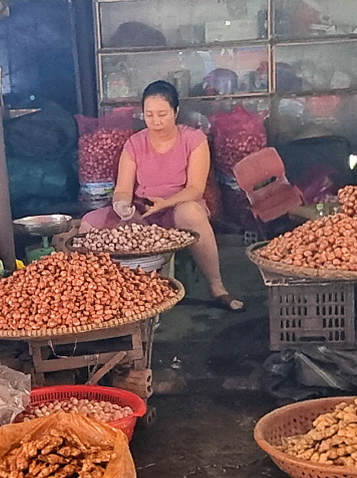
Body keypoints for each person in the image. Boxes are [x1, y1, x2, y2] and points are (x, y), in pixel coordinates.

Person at [79, 80, 242, 312]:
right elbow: (123, 189)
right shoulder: (134, 143)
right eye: (150, 114)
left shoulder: (194, 140)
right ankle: (99, 295)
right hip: (142, 210)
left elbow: (195, 189)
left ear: (176, 112)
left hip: (178, 206)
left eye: (162, 114)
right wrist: (122, 205)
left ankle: (217, 287)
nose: (156, 121)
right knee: (88, 224)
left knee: (192, 212)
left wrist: (165, 203)